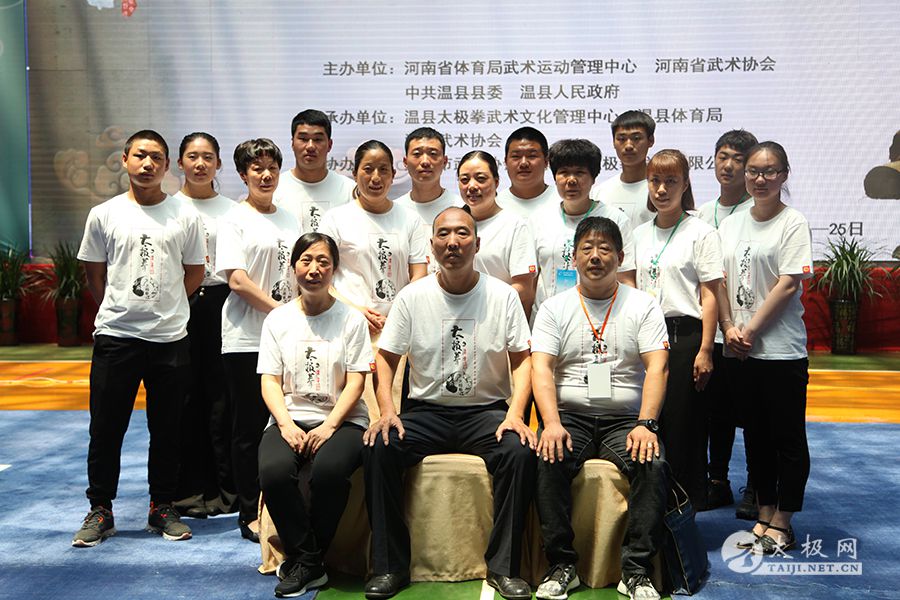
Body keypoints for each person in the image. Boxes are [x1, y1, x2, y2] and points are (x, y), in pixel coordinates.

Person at [363, 207, 537, 600]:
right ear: (432, 245)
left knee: (519, 451)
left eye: (462, 234)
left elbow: (523, 360)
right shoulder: (412, 296)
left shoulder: (503, 296)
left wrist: (515, 415)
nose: (453, 242)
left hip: (486, 412)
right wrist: (387, 411)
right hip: (426, 413)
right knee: (379, 446)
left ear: (477, 243)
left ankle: (504, 568)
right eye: (443, 234)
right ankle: (390, 567)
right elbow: (386, 359)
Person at [73, 129, 205, 546]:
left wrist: (168, 306)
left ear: (167, 166)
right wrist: (121, 310)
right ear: (125, 160)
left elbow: (195, 272)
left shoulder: (185, 215)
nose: (148, 164)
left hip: (170, 338)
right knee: (105, 428)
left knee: (167, 428)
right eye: (140, 156)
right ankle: (100, 508)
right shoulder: (104, 214)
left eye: (157, 158)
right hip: (117, 337)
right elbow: (94, 274)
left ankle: (161, 506)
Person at [532, 216, 669, 600]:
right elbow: (541, 367)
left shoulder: (643, 305)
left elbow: (658, 366)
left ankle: (636, 570)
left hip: (625, 421)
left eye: (605, 249)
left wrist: (646, 424)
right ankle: (561, 565)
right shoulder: (554, 308)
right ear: (574, 257)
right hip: (569, 418)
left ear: (620, 258)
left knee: (653, 463)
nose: (595, 256)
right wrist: (551, 423)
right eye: (587, 249)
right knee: (547, 457)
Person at [257, 233, 373, 598]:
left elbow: (356, 381)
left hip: (344, 420)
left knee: (329, 472)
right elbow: (270, 381)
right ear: (293, 267)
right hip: (289, 418)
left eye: (323, 262)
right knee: (273, 471)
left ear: (334, 269)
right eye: (306, 260)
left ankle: (305, 562)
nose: (314, 269)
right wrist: (285, 424)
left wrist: (329, 425)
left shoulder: (351, 320)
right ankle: (312, 562)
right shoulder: (278, 319)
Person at [718, 142, 813, 555]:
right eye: (753, 171)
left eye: (770, 171)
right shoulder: (732, 223)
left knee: (787, 438)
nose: (760, 179)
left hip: (781, 351)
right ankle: (764, 512)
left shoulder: (793, 222)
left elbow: (789, 284)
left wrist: (751, 330)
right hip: (739, 349)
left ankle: (784, 522)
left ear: (784, 175)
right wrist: (728, 327)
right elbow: (718, 279)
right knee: (755, 435)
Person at [216, 138, 301, 542]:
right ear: (243, 174)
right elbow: (237, 280)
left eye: (272, 167)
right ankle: (249, 511)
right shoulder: (234, 219)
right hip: (247, 338)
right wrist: (281, 311)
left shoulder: (290, 219)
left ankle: (282, 506)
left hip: (289, 338)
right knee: (248, 428)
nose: (266, 175)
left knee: (287, 422)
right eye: (256, 168)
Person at [632, 149, 723, 510]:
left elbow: (710, 294)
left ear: (685, 185)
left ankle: (685, 508)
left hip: (685, 337)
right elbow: (628, 286)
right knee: (650, 419)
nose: (662, 189)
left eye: (671, 181)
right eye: (655, 180)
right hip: (644, 335)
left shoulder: (702, 233)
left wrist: (706, 349)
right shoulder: (638, 234)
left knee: (685, 425)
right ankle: (650, 504)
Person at [172, 132, 238, 519]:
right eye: (193, 157)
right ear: (179, 162)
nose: (200, 164)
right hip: (180, 303)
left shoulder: (233, 210)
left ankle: (224, 490)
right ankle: (187, 491)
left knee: (221, 397)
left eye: (208, 157)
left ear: (218, 164)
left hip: (223, 303)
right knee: (185, 396)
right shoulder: (169, 207)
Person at [696, 129, 759, 518]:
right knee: (715, 411)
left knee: (753, 413)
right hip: (713, 331)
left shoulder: (759, 212)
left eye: (738, 158)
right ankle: (716, 480)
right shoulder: (703, 214)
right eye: (723, 156)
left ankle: (756, 485)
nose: (729, 165)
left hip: (747, 331)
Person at [319, 140, 429, 338]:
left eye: (383, 170)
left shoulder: (410, 219)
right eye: (368, 169)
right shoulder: (335, 219)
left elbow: (419, 275)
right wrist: (356, 311)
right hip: (346, 325)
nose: (376, 178)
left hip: (397, 328)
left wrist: (398, 315)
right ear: (355, 174)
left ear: (393, 175)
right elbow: (322, 278)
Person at [531, 138, 636, 316]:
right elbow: (531, 281)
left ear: (593, 178)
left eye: (580, 173)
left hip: (600, 316)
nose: (571, 180)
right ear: (555, 177)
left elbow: (626, 279)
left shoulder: (615, 219)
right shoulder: (539, 220)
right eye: (564, 172)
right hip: (549, 318)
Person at [458, 150, 537, 320]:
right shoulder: (452, 224)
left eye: (480, 179)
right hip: (456, 317)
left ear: (496, 182)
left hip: (496, 319)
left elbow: (524, 288)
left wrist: (477, 305)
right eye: (464, 180)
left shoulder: (514, 225)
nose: (472, 186)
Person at [393, 127, 463, 274]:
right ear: (405, 161)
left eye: (433, 154)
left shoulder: (461, 209)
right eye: (417, 154)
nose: (425, 161)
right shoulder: (395, 210)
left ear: (445, 161)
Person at [274, 109, 355, 232]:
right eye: (303, 139)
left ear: (330, 145)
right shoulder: (275, 188)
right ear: (292, 143)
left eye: (317, 139)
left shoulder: (348, 189)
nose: (310, 146)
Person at [590, 110, 656, 229]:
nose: (629, 146)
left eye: (636, 138)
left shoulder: (660, 190)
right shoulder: (600, 192)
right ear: (613, 142)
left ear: (650, 141)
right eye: (621, 139)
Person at [497, 127, 561, 218]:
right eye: (516, 156)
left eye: (532, 156)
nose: (523, 163)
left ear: (546, 162)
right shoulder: (495, 204)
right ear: (506, 162)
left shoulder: (563, 201)